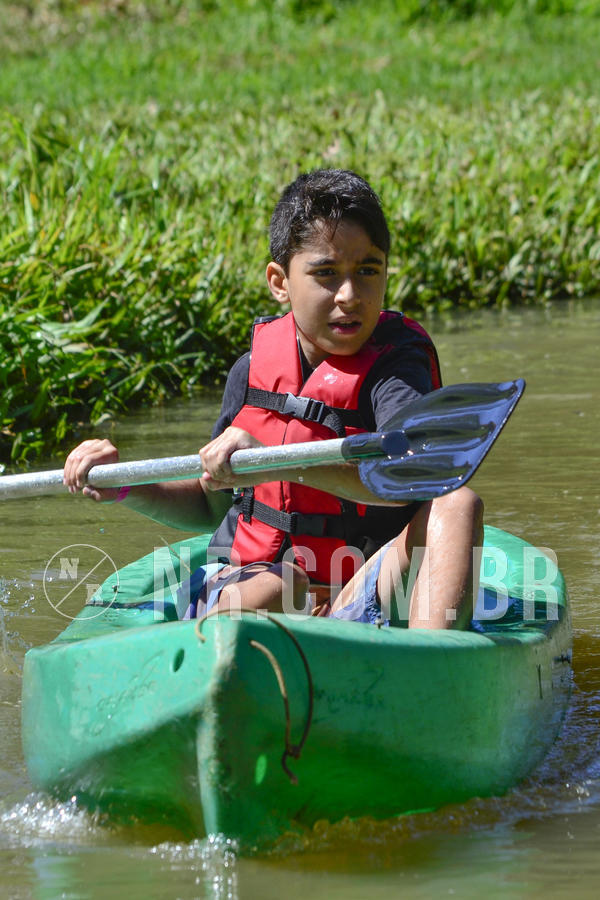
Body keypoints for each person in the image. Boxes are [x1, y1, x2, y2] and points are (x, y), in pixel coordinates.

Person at [63, 169, 483, 629]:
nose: (349, 295)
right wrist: (125, 485)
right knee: (280, 585)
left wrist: (275, 460)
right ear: (280, 282)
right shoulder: (250, 372)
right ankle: (207, 662)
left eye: (368, 271)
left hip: (359, 591)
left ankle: (432, 671)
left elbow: (414, 477)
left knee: (458, 504)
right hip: (256, 581)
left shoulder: (396, 368)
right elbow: (210, 504)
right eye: (325, 273)